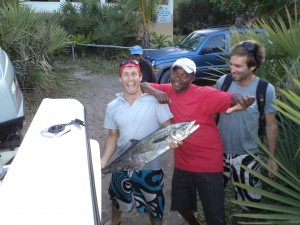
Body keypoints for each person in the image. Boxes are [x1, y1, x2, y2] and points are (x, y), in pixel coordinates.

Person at [140, 58, 255, 225]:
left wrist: (242, 98)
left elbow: (231, 97)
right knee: (181, 205)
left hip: (208, 163)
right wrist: (156, 92)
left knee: (214, 215)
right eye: (175, 73)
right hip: (183, 162)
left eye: (184, 76)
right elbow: (143, 84)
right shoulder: (169, 90)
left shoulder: (205, 94)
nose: (178, 78)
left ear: (192, 79)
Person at [101, 59, 177, 225]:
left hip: (150, 168)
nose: (130, 79)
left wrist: (172, 141)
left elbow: (168, 129)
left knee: (155, 205)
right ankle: (115, 222)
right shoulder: (113, 106)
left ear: (140, 77)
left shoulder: (155, 101)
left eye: (134, 74)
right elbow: (113, 136)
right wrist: (103, 163)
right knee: (117, 197)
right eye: (125, 75)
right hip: (121, 163)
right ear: (120, 79)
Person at [215, 40, 278, 211]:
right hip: (218, 153)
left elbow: (271, 126)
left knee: (249, 206)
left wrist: (272, 157)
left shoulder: (265, 90)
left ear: (253, 67)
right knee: (212, 197)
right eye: (231, 64)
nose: (232, 69)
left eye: (238, 66)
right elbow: (212, 112)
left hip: (248, 157)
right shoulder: (223, 83)